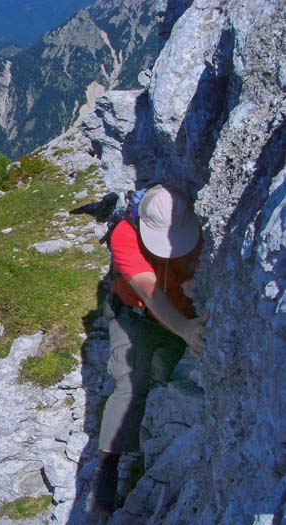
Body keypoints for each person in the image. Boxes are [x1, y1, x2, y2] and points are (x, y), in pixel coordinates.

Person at [86, 184, 210, 521]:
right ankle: (106, 473)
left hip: (181, 316)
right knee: (130, 383)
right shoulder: (125, 236)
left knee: (162, 371)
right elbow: (150, 292)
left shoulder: (203, 226)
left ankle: (144, 450)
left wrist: (200, 288)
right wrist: (186, 329)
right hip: (137, 315)